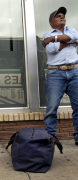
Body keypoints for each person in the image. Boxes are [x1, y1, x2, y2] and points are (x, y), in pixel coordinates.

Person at [42, 7, 78, 145]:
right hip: (55, 74)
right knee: (52, 108)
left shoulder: (72, 31)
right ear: (51, 22)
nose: (62, 17)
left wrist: (55, 39)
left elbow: (75, 38)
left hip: (75, 72)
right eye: (58, 16)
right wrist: (69, 41)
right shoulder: (46, 34)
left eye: (63, 15)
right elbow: (51, 48)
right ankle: (50, 138)